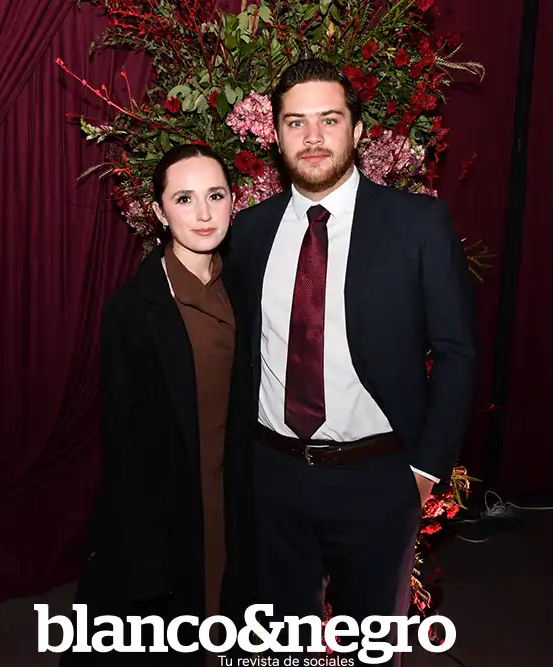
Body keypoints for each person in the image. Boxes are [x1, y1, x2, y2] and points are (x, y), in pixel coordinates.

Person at [224, 59, 477, 664]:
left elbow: (457, 351)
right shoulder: (248, 232)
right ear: (275, 135)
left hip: (377, 478)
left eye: (329, 120)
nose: (313, 137)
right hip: (273, 477)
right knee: (279, 647)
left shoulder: (416, 224)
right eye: (296, 122)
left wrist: (425, 470)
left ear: (357, 130)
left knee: (371, 647)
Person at [63, 143, 249, 667]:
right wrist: (144, 555)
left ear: (234, 201)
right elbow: (124, 447)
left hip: (241, 500)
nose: (204, 213)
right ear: (159, 212)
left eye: (215, 195)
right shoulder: (132, 310)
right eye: (184, 199)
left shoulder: (245, 286)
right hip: (175, 510)